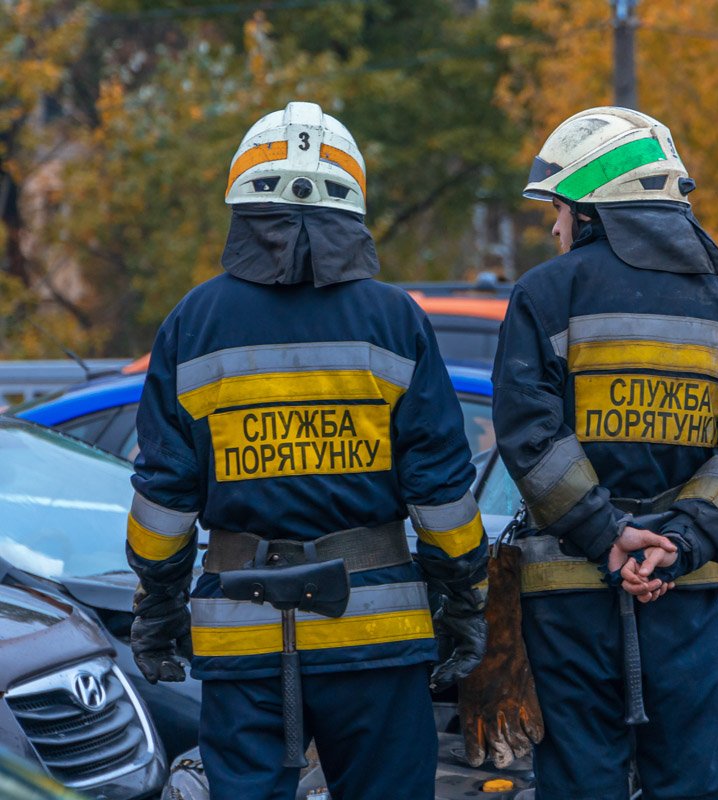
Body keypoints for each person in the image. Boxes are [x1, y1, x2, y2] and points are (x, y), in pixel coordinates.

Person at [125, 101, 487, 800]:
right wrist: (463, 600)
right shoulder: (395, 319)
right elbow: (441, 488)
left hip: (242, 638)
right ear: (351, 210)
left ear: (241, 205)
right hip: (376, 636)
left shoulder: (193, 322)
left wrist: (158, 608)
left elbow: (164, 496)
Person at [489, 107, 718, 799]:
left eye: (561, 209)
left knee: (579, 783)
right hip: (683, 599)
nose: (557, 227)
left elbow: (529, 436)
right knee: (699, 784)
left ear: (595, 209)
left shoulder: (545, 294)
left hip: (568, 600)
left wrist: (608, 534)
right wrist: (679, 542)